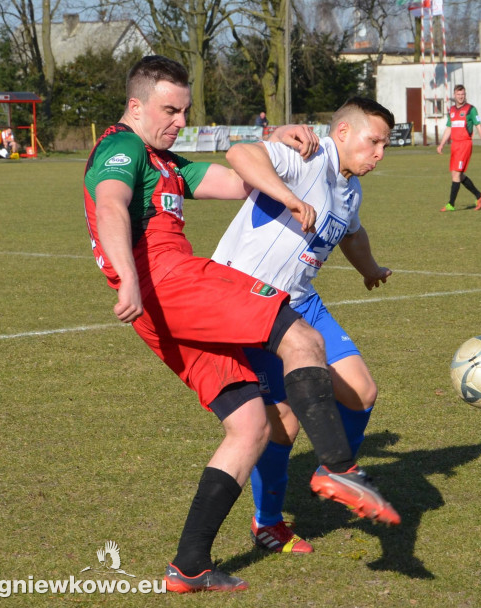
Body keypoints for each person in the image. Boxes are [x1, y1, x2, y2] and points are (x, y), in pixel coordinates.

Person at [82, 55, 399, 593]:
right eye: (170, 110)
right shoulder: (123, 146)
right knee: (301, 337)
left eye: (184, 111)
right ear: (135, 106)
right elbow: (111, 205)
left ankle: (189, 566)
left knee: (252, 424)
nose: (180, 121)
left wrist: (275, 143)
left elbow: (238, 179)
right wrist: (129, 277)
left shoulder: (166, 163)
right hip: (168, 280)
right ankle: (335, 466)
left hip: (165, 302)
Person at [211, 97, 394, 555]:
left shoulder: (350, 187)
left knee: (361, 391)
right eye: (374, 142)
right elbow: (239, 154)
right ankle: (268, 522)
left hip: (301, 302)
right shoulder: (306, 155)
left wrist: (369, 268)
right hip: (251, 301)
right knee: (284, 423)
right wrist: (288, 197)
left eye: (385, 146)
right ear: (344, 133)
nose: (379, 154)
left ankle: (332, 470)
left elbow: (351, 232)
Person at [437, 84, 481, 211]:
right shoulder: (451, 110)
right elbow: (449, 128)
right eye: (458, 94)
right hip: (454, 145)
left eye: (463, 94)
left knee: (456, 175)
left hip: (464, 145)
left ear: (465, 95)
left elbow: (479, 126)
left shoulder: (471, 110)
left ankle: (451, 204)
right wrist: (441, 144)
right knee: (457, 175)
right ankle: (479, 195)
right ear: (454, 95)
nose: (461, 97)